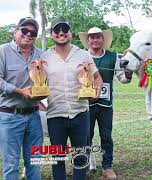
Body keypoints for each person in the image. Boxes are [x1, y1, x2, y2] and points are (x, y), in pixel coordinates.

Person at [40, 17, 103, 180]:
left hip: (80, 113)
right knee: (58, 159)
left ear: (70, 32)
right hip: (55, 115)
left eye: (65, 29)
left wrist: (96, 90)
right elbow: (38, 82)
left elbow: (97, 77)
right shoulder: (45, 57)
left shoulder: (83, 55)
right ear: (51, 34)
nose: (61, 33)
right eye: (57, 30)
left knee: (80, 157)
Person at [79, 27, 132, 179]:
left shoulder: (113, 56)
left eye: (98, 37)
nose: (95, 40)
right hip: (85, 104)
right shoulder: (81, 57)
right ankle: (85, 165)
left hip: (105, 105)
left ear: (103, 39)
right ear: (88, 41)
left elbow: (121, 78)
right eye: (91, 37)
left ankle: (107, 166)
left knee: (106, 136)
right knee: (84, 136)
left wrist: (127, 75)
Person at [0, 17, 43, 180]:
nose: (28, 34)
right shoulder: (2, 51)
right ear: (15, 31)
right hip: (9, 116)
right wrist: (19, 91)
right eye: (24, 30)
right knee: (11, 164)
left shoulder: (40, 55)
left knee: (35, 161)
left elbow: (45, 81)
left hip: (34, 116)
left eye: (33, 32)